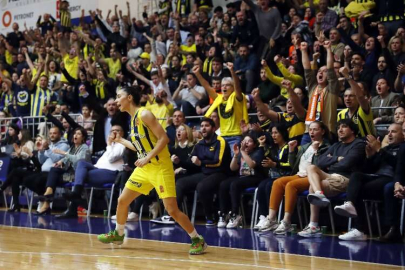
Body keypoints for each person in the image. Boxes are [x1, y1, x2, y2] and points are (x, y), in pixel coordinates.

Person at [97, 86, 207, 255]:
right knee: (122, 200)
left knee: (171, 210)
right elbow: (138, 146)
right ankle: (118, 234)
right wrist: (120, 140)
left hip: (160, 167)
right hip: (145, 168)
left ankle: (197, 239)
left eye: (119, 96)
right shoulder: (132, 120)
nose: (116, 100)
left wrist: (147, 157)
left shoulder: (144, 114)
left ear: (129, 98)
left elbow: (164, 139)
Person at [334, 123, 404, 241]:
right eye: (388, 132)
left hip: (391, 179)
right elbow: (369, 169)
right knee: (356, 176)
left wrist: (379, 150)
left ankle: (361, 229)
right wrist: (370, 156)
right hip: (377, 177)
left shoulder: (403, 147)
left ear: (403, 135)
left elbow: (399, 166)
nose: (389, 134)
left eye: (394, 132)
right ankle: (349, 204)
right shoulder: (385, 149)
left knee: (359, 190)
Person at [257, 121, 330, 233]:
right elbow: (293, 165)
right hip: (299, 174)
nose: (312, 132)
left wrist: (316, 151)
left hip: (313, 177)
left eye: (315, 129)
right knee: (278, 182)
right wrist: (291, 151)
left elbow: (322, 165)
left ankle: (286, 221)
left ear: (323, 131)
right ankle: (272, 219)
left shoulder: (326, 147)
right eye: (310, 129)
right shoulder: (305, 146)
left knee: (291, 185)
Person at [298, 119, 366, 238]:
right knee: (311, 167)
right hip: (330, 176)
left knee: (311, 187)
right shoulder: (336, 145)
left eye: (344, 127)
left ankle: (313, 225)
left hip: (346, 178)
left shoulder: (358, 144)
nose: (340, 130)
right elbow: (320, 161)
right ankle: (320, 194)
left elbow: (347, 164)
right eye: (338, 127)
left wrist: (331, 161)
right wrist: (337, 158)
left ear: (352, 130)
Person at [175, 118, 232, 225]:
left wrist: (201, 163)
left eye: (207, 126)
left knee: (202, 187)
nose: (203, 128)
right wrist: (179, 162)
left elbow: (218, 162)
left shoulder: (221, 142)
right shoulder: (199, 144)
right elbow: (191, 162)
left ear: (213, 128)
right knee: (180, 183)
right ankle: (173, 215)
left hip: (220, 173)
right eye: (201, 126)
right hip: (205, 173)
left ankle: (210, 216)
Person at [36, 127, 90, 214]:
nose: (75, 135)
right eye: (75, 133)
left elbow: (78, 160)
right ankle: (47, 198)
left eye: (78, 134)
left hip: (77, 175)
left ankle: (47, 199)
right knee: (54, 169)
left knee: (51, 176)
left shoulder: (84, 148)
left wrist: (64, 153)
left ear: (83, 137)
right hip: (68, 174)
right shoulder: (72, 148)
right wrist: (60, 162)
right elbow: (65, 159)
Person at [218, 131, 265, 228]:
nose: (246, 143)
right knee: (223, 184)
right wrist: (236, 155)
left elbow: (251, 165)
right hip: (242, 177)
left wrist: (243, 152)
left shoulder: (258, 152)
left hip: (255, 177)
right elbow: (233, 168)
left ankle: (235, 215)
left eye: (249, 141)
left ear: (254, 145)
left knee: (235, 184)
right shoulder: (241, 152)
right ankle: (224, 214)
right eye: (245, 141)